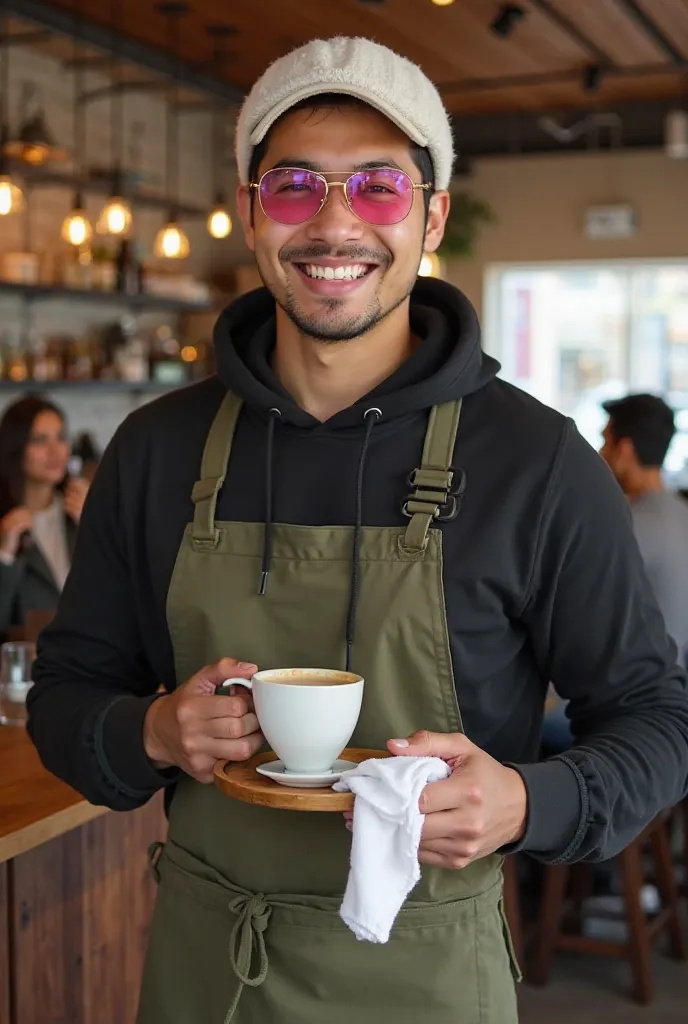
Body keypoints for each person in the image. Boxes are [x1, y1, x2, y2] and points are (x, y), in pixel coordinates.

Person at [27, 37, 688, 1024]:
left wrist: (523, 802)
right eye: (295, 186)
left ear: (431, 217)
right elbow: (66, 693)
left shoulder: (538, 463)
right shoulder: (158, 450)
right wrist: (153, 728)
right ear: (252, 214)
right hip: (206, 969)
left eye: (376, 187)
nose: (334, 223)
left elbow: (655, 717)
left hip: (425, 976)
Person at [600, 392, 688, 665]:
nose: (600, 452)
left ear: (624, 451)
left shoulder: (636, 524)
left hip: (641, 690)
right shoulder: (677, 509)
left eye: (605, 441)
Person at [0, 395, 89, 634]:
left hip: (89, 662)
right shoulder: (5, 524)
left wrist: (95, 526)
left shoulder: (81, 511)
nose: (56, 451)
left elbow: (121, 599)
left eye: (61, 438)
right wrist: (4, 556)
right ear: (15, 448)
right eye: (40, 440)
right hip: (28, 665)